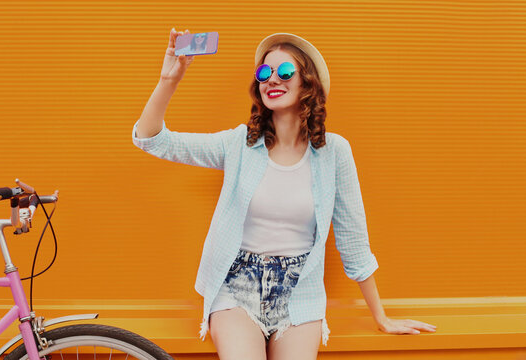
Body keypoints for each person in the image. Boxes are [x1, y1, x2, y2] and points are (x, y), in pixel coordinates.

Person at [132, 28, 437, 360]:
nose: (271, 80)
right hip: (236, 287)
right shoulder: (240, 144)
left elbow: (353, 240)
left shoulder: (334, 152)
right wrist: (169, 79)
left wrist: (382, 317)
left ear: (308, 83)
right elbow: (152, 140)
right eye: (264, 73)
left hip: (299, 291)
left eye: (285, 72)